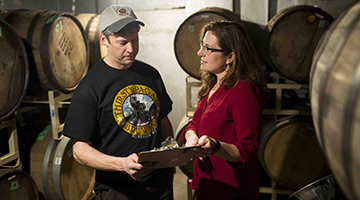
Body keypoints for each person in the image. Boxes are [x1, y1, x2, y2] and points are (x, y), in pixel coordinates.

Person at [62, 5, 174, 200]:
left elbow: (163, 121)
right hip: (118, 189)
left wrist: (169, 159)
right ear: (104, 39)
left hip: (159, 184)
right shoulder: (90, 86)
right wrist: (122, 164)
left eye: (135, 40)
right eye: (123, 42)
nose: (131, 49)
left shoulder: (150, 74)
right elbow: (79, 150)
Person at [182, 20, 268, 200]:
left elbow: (248, 148)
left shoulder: (244, 90)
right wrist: (191, 138)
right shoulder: (213, 85)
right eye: (202, 46)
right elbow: (194, 123)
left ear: (230, 57)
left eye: (208, 49)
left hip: (230, 190)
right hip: (204, 184)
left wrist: (215, 146)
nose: (200, 53)